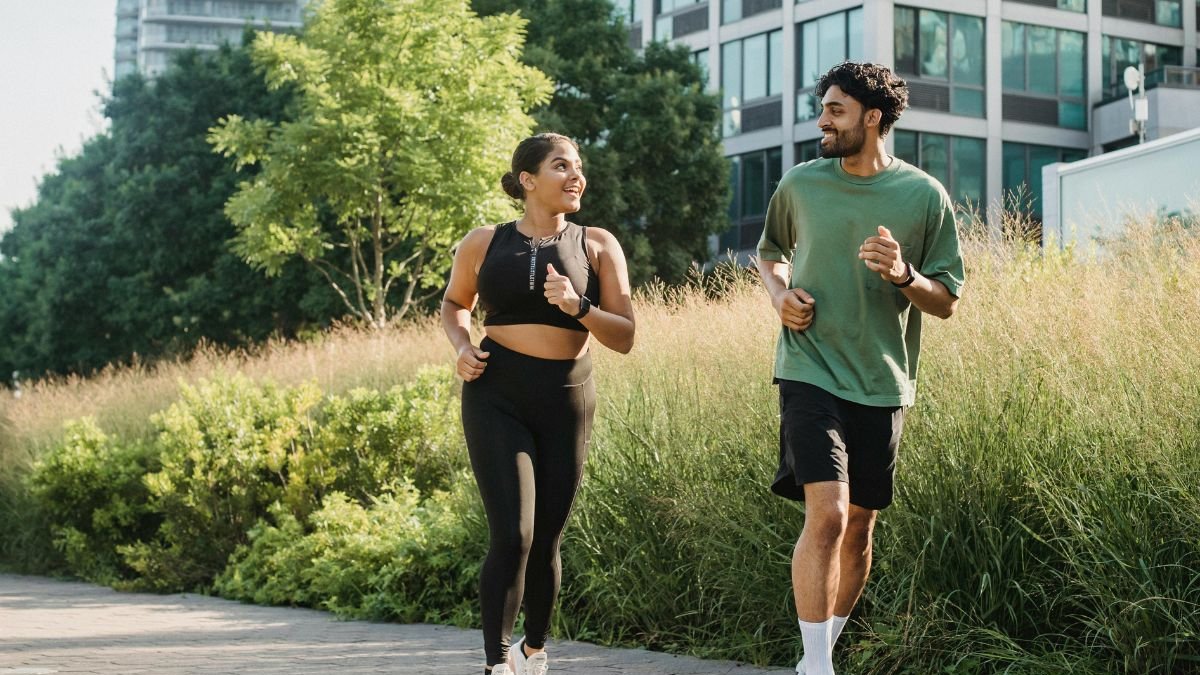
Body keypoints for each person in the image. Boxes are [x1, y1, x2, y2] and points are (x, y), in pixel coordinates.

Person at [755, 62, 965, 675]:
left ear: (872, 118)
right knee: (829, 514)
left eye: (836, 111)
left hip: (882, 381)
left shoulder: (924, 196)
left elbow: (947, 300)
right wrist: (778, 295)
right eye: (823, 109)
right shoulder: (800, 184)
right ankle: (819, 666)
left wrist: (904, 275)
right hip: (809, 369)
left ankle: (816, 654)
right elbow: (770, 255)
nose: (822, 121)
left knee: (861, 528)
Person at [441, 132, 636, 675]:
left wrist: (579, 307)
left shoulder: (597, 244)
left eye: (579, 167)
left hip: (567, 397)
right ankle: (496, 662)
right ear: (528, 180)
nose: (577, 177)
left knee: (547, 536)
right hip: (495, 392)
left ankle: (534, 649)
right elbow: (456, 302)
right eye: (561, 167)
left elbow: (624, 335)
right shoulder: (483, 242)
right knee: (513, 533)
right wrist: (461, 347)